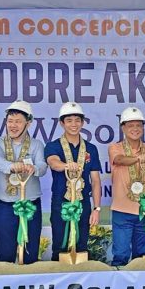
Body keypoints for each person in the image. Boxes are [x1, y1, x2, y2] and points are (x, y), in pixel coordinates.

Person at [0, 100, 48, 263]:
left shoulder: (36, 145)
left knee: (30, 253)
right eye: (10, 121)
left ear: (28, 123)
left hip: (30, 204)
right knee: (5, 255)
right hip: (5, 205)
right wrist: (13, 166)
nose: (13, 125)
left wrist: (34, 169)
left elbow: (43, 166)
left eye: (18, 121)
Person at [45, 102, 102, 261]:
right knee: (60, 247)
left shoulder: (91, 148)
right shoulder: (53, 146)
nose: (74, 124)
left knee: (82, 246)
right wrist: (66, 165)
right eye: (69, 120)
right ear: (61, 123)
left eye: (77, 120)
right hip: (61, 203)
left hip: (83, 202)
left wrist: (96, 208)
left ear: (82, 123)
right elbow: (53, 162)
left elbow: (96, 180)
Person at [108, 107, 145, 266]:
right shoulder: (115, 148)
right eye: (130, 125)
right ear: (123, 128)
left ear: (143, 128)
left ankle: (140, 288)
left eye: (139, 125)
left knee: (142, 256)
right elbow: (119, 160)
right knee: (121, 254)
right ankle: (119, 287)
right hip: (122, 210)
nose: (135, 129)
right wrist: (139, 158)